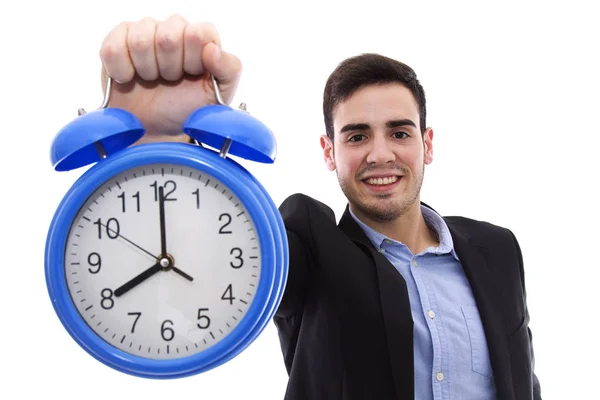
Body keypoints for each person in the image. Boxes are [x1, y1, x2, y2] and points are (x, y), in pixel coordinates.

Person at [98, 15, 541, 400]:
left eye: (400, 133)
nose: (381, 154)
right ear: (329, 152)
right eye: (357, 135)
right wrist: (167, 151)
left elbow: (523, 382)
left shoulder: (496, 249)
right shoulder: (309, 243)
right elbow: (218, 270)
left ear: (427, 144)